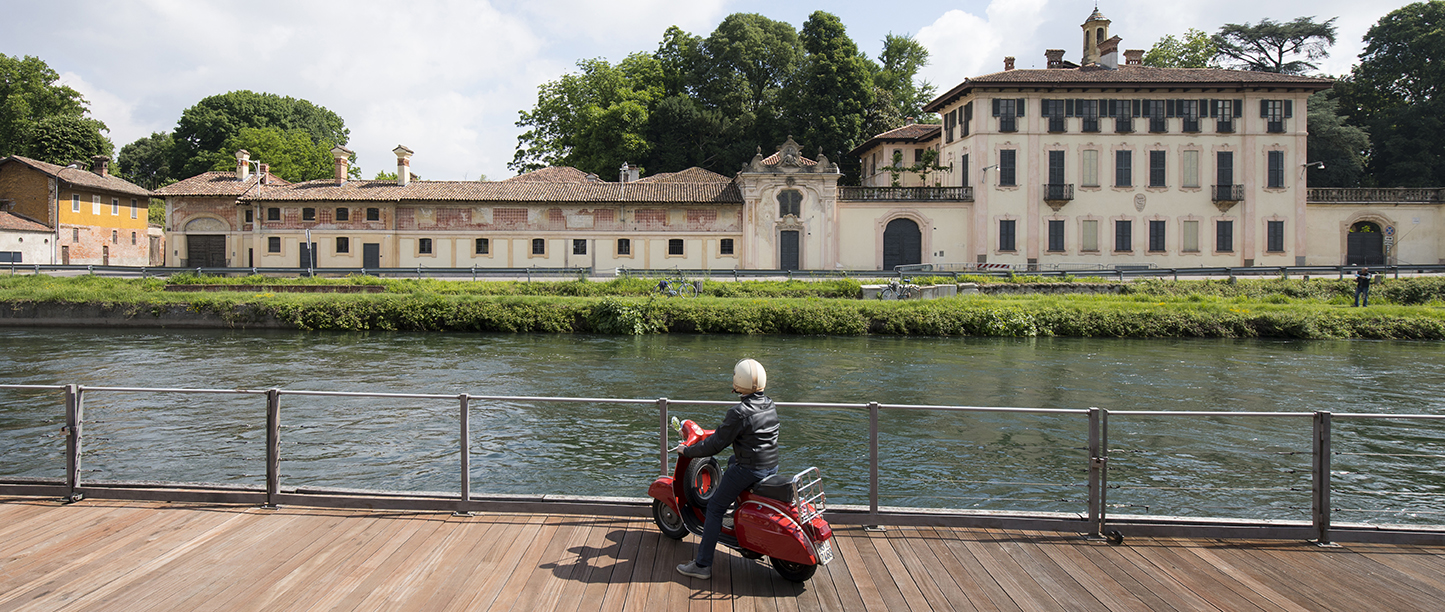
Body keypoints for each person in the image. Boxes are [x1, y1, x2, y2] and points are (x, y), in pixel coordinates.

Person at [675, 358, 779, 580]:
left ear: (738, 381)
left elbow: (715, 445)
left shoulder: (739, 412)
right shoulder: (769, 403)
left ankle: (702, 565)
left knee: (714, 508)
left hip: (750, 469)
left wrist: (687, 452)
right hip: (771, 465)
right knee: (733, 461)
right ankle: (739, 513)